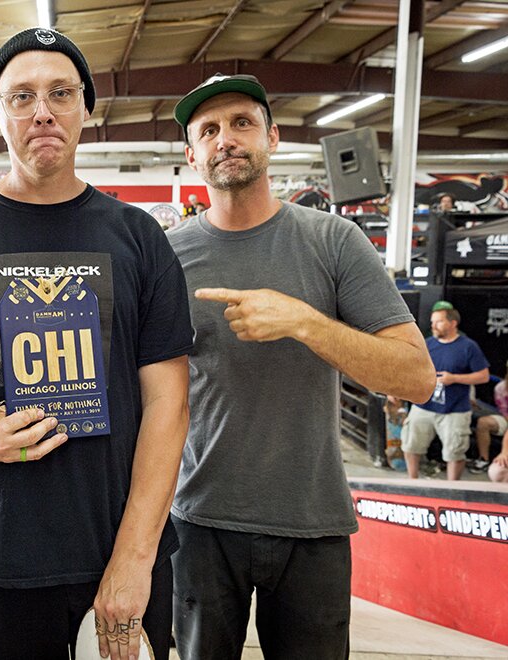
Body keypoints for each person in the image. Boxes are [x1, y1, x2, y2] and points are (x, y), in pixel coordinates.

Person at [0, 27, 193, 660]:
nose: (43, 111)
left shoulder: (138, 236)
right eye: (21, 96)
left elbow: (168, 403)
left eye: (61, 93)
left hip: (120, 552)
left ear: (86, 108)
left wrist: (134, 559)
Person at [166, 73, 435, 659]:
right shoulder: (168, 255)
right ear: (191, 155)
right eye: (208, 130)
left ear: (272, 137)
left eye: (242, 123)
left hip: (312, 522)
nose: (225, 138)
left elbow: (416, 378)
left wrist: (305, 322)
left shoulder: (334, 241)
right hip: (200, 521)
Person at [402, 302, 490, 480]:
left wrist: (454, 378)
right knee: (410, 445)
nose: (433, 326)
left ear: (453, 323)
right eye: (432, 322)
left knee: (454, 453)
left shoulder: (468, 346)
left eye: (439, 322)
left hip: (455, 409)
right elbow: (411, 369)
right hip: (423, 406)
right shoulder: (427, 344)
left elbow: (483, 376)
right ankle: (413, 482)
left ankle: (452, 489)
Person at [470, 363, 507, 475]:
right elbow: (504, 411)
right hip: (505, 418)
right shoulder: (501, 388)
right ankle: (483, 460)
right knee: (483, 422)